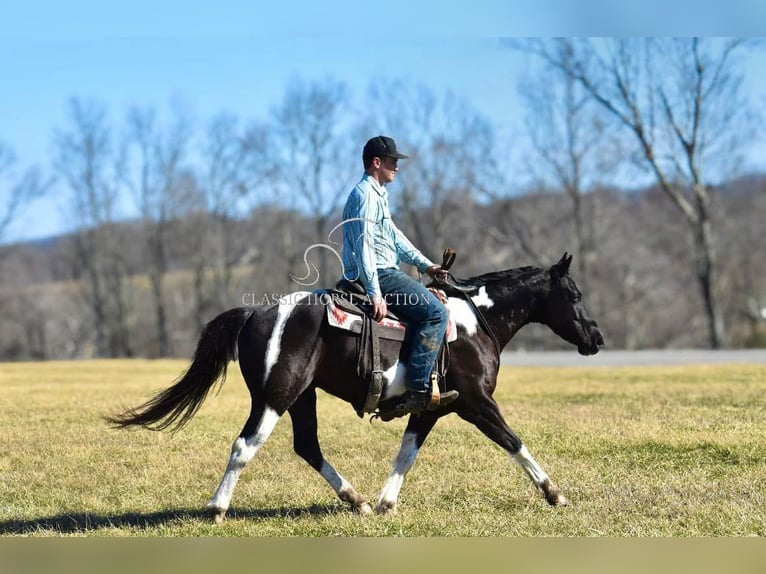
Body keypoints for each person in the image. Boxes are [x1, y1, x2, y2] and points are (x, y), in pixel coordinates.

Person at [340, 135, 459, 415]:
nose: (397, 167)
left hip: (382, 271)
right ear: (376, 162)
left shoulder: (378, 194)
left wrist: (427, 265)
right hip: (380, 275)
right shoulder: (365, 195)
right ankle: (418, 389)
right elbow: (365, 245)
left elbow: (395, 237)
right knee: (436, 313)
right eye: (393, 161)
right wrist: (374, 292)